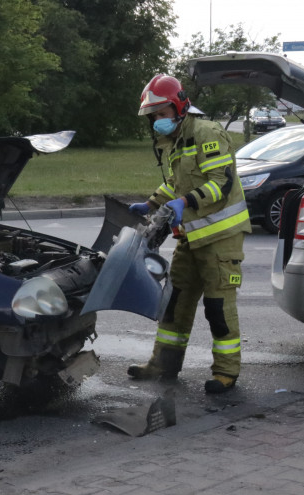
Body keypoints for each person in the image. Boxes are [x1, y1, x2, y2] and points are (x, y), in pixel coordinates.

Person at [126, 74, 251, 394]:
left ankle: (226, 372)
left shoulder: (207, 133)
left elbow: (219, 184)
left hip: (221, 239)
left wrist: (183, 203)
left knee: (218, 307)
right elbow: (175, 182)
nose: (157, 121)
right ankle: (162, 365)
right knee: (174, 303)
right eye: (153, 116)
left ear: (180, 107)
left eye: (161, 114)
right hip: (192, 238)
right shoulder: (177, 141)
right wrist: (151, 202)